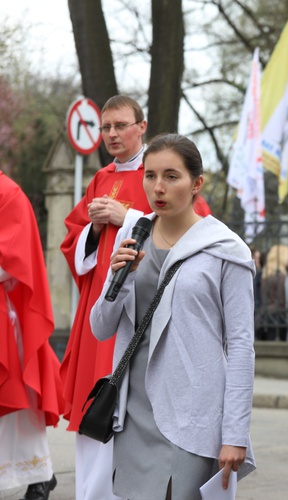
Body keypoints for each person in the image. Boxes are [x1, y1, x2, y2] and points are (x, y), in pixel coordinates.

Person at [59, 95, 210, 499]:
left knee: (137, 407)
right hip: (103, 309)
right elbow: (74, 243)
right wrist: (92, 232)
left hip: (146, 311)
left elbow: (196, 226)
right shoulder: (100, 179)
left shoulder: (163, 171)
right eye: (105, 127)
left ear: (141, 127)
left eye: (120, 125)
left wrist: (123, 217)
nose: (111, 134)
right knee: (97, 403)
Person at [90, 133, 255, 498]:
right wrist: (120, 280)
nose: (158, 187)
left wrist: (235, 433)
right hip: (133, 412)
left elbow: (242, 345)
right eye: (150, 176)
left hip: (192, 414)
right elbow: (101, 328)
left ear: (197, 183)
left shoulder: (226, 250)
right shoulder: (133, 237)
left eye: (171, 176)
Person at [0, 172, 63, 500]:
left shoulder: (8, 194)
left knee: (20, 405)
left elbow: (16, 258)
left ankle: (41, 473)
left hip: (7, 321)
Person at [258, 244, 288, 341]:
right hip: (278, 318)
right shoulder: (281, 276)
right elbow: (282, 300)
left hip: (265, 315)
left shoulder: (265, 274)